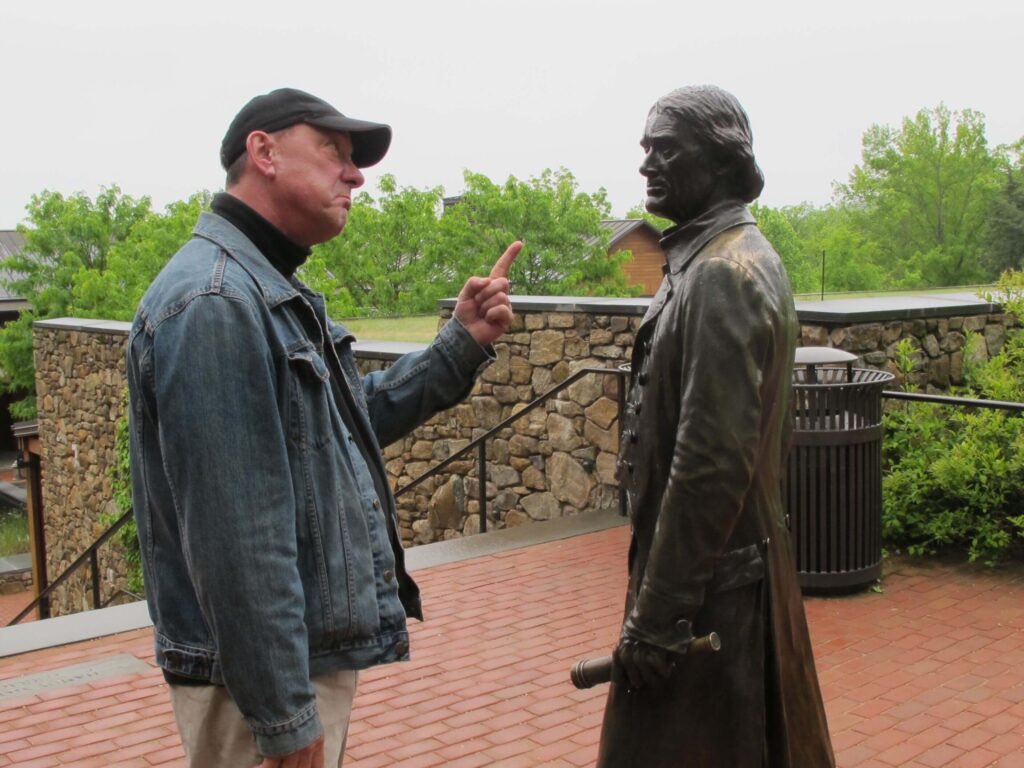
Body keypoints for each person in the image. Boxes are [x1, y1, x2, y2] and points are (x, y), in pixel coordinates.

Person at [126, 87, 521, 768]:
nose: (356, 174)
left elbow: (344, 424)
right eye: (334, 152)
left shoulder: (262, 289)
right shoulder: (216, 303)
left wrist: (460, 343)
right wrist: (284, 715)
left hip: (280, 670)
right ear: (264, 152)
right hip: (257, 685)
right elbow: (238, 541)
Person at [596, 85, 835, 767]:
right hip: (713, 581)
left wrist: (659, 613)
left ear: (721, 158)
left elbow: (710, 461)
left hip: (716, 594)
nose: (647, 165)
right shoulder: (704, 260)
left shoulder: (724, 273)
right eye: (645, 150)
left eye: (665, 150)